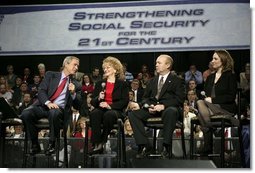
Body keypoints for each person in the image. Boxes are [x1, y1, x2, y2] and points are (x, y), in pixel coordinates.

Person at [20, 56, 82, 155]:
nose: (77, 68)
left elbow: (78, 105)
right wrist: (48, 103)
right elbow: (41, 91)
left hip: (59, 111)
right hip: (44, 106)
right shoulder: (50, 75)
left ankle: (52, 144)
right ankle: (35, 145)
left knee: (54, 112)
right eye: (75, 65)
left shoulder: (76, 84)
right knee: (26, 113)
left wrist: (73, 93)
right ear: (66, 64)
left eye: (78, 66)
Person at [128, 54, 185, 159]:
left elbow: (179, 99)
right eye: (156, 63)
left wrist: (164, 106)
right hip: (153, 109)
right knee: (133, 114)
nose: (156, 65)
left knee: (171, 111)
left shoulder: (177, 80)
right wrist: (148, 106)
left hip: (169, 109)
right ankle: (144, 145)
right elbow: (145, 98)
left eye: (159, 63)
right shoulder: (152, 81)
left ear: (168, 65)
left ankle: (166, 147)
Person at [196, 50, 238, 155]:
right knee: (201, 102)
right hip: (210, 109)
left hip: (225, 108)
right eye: (212, 59)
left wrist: (213, 100)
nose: (212, 61)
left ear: (223, 60)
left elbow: (231, 97)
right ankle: (211, 127)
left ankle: (208, 140)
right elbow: (205, 94)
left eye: (215, 59)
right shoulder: (210, 77)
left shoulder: (230, 75)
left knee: (200, 107)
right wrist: (206, 98)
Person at [89, 56, 129, 154]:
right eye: (104, 68)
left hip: (115, 110)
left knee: (109, 114)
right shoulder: (100, 83)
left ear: (115, 70)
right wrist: (98, 98)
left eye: (108, 67)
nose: (105, 70)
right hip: (101, 109)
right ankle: (96, 143)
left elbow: (124, 101)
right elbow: (93, 102)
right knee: (95, 113)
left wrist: (109, 106)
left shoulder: (122, 84)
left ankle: (102, 142)